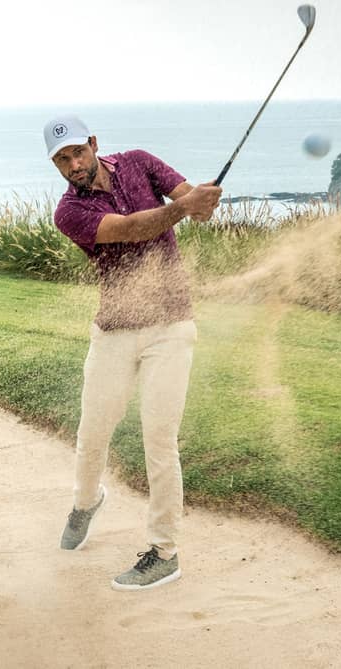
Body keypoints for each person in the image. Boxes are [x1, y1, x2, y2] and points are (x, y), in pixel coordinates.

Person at [45, 114, 222, 591]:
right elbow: (129, 229)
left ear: (94, 144)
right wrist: (184, 209)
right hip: (115, 331)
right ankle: (86, 502)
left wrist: (200, 201)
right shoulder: (68, 212)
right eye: (62, 159)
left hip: (171, 326)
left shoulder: (140, 163)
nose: (74, 164)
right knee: (93, 430)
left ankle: (164, 552)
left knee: (159, 438)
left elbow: (189, 199)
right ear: (55, 165)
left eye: (78, 152)